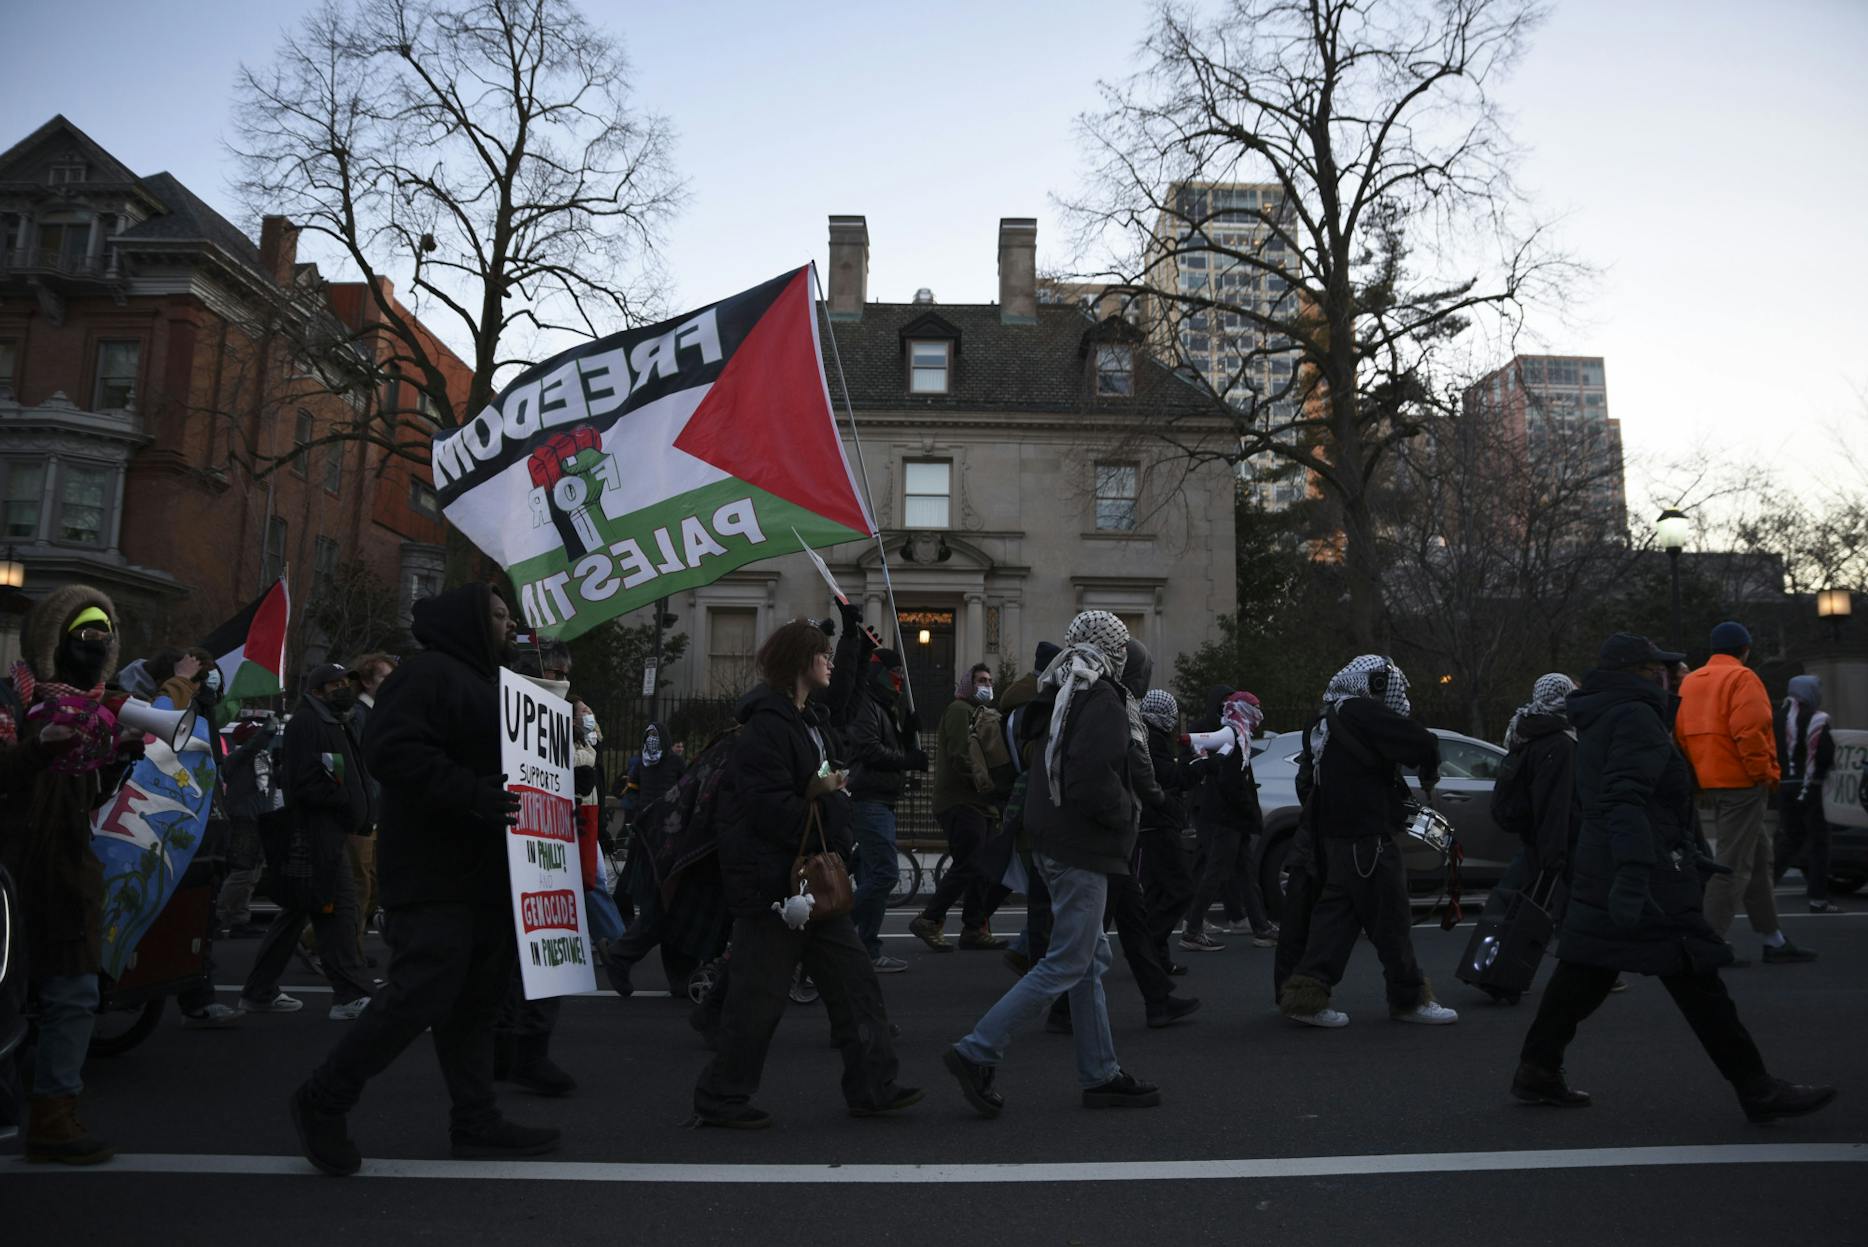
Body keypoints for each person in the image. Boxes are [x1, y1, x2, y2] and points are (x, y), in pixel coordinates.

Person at [1511, 633, 1836, 1123]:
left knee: (1586, 971)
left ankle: (1537, 1069)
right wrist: (1640, 872)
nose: (1666, 675)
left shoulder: (1603, 713)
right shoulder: (1636, 715)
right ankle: (1757, 1088)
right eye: (1656, 668)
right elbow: (1625, 798)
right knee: (1696, 979)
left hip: (1614, 865)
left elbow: (1623, 799)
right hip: (1645, 874)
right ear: (1639, 672)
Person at [291, 583, 556, 1176]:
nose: (508, 624)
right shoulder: (427, 676)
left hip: (485, 871)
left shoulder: (490, 684)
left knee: (475, 1003)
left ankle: (476, 1119)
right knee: (421, 994)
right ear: (467, 621)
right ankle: (324, 1097)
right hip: (435, 872)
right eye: (497, 614)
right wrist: (473, 794)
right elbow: (392, 752)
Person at [691, 620, 917, 1129]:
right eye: (824, 654)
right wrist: (834, 815)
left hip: (813, 885)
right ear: (801, 662)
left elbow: (846, 704)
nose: (830, 661)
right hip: (775, 888)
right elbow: (769, 808)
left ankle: (873, 1087)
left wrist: (857, 641)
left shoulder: (806, 720)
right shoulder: (767, 728)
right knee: (757, 1002)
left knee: (856, 985)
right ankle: (722, 1096)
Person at [942, 611, 1161, 1118]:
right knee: (1067, 961)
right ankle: (977, 1050)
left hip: (1053, 840)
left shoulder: (1062, 690)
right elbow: (1090, 778)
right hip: (1082, 845)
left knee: (1086, 963)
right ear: (1115, 651)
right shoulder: (1101, 698)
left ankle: (1101, 1072)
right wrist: (1126, 813)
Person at [1, 587, 122, 1164]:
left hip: (67, 873)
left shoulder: (96, 710)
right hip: (10, 870)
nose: (96, 648)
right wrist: (38, 749)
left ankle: (54, 1113)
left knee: (74, 991)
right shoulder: (10, 701)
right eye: (85, 636)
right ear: (53, 639)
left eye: (104, 636)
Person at [1277, 656, 1457, 1028]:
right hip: (1369, 840)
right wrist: (1427, 770)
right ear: (1374, 685)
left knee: (1336, 918)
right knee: (1391, 921)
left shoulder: (1324, 718)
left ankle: (1306, 998)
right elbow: (1421, 741)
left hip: (1336, 839)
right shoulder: (1361, 711)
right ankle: (1409, 999)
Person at [241, 662, 376, 1020]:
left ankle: (258, 991)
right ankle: (351, 995)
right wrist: (344, 801)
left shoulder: (334, 722)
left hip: (329, 830)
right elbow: (303, 782)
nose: (342, 688)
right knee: (339, 912)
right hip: (316, 833)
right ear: (316, 691)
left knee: (299, 911)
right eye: (333, 684)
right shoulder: (308, 723)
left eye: (345, 681)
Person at [1676, 622, 1813, 964]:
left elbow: (1680, 732)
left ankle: (1774, 938)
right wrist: (1763, 775)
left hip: (1711, 779)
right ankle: (1710, 942)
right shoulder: (1743, 679)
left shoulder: (1691, 681)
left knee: (1757, 859)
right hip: (1742, 783)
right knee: (1732, 866)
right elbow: (1751, 731)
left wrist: (1701, 772)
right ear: (1745, 649)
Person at [493, 644, 579, 1097]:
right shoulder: (501, 717)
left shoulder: (562, 721)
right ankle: (512, 1049)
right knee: (511, 959)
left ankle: (520, 1051)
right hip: (512, 850)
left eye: (566, 671)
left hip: (546, 848)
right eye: (555, 671)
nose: (562, 677)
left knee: (542, 951)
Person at [1468, 673, 1581, 1004]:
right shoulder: (1559, 742)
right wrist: (1555, 851)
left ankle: (1496, 970)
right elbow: (1556, 802)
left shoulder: (1526, 731)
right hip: (1556, 840)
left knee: (1519, 906)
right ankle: (1511, 974)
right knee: (1568, 906)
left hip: (1534, 838)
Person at [910, 663, 1010, 951]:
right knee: (971, 863)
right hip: (961, 801)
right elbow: (960, 755)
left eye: (990, 680)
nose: (987, 685)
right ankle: (930, 918)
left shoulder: (980, 714)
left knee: (983, 867)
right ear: (969, 683)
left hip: (981, 805)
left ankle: (973, 927)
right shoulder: (959, 710)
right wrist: (987, 784)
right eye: (981, 680)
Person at [845, 647, 928, 972]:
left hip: (883, 798)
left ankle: (867, 947)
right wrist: (907, 759)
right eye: (896, 674)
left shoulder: (884, 707)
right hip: (869, 798)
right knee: (884, 875)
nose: (900, 681)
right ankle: (830, 933)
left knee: (870, 874)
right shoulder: (866, 705)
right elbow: (868, 749)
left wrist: (907, 736)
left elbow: (887, 747)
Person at [1181, 687, 1274, 951]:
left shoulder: (1237, 734)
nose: (1259, 714)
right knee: (1216, 873)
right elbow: (1232, 781)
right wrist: (1247, 811)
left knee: (1245, 873)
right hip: (1227, 817)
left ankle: (1262, 927)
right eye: (1254, 708)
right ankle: (1192, 929)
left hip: (1231, 816)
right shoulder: (1234, 736)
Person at [1136, 688, 1195, 974]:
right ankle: (1148, 947)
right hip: (1159, 823)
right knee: (1180, 889)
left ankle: (1156, 960)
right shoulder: (1153, 740)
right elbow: (1169, 777)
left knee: (1156, 893)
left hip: (1150, 824)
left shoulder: (1147, 735)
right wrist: (1195, 764)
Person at [343, 652, 397, 945]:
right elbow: (361, 766)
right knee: (359, 883)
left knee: (374, 882)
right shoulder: (357, 715)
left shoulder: (377, 713)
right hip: (363, 811)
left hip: (376, 810)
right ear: (365, 681)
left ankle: (326, 942)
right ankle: (348, 949)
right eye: (384, 678)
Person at [1774, 675, 1839, 914]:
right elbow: (1825, 754)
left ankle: (1763, 887)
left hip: (1784, 786)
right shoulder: (1817, 719)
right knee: (1819, 842)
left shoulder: (1777, 718)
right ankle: (1818, 898)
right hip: (1812, 787)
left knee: (1789, 840)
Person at [216, 712, 283, 938]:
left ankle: (239, 920)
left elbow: (273, 786)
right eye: (256, 737)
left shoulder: (263, 762)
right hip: (244, 820)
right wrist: (271, 725)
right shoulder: (238, 758)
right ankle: (219, 915)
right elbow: (254, 745)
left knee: (252, 874)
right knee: (242, 872)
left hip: (261, 820)